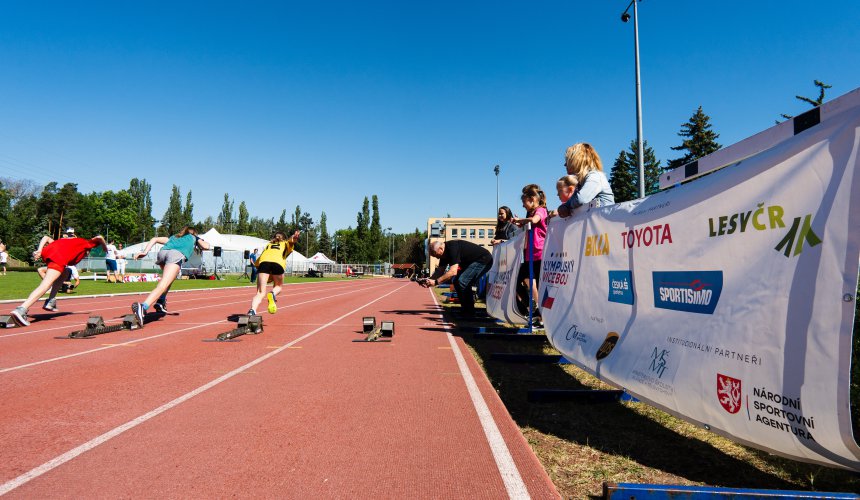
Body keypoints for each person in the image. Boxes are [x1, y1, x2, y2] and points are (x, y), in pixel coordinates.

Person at [8, 234, 107, 326]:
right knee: (46, 284)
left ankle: (51, 300)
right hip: (58, 258)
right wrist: (104, 247)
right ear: (87, 251)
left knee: (66, 272)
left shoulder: (67, 243)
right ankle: (22, 309)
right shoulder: (85, 244)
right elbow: (99, 237)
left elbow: (46, 237)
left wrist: (39, 250)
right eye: (86, 255)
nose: (85, 257)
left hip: (50, 253)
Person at [131, 227, 210, 325]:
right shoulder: (194, 237)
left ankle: (161, 300)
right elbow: (206, 246)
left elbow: (154, 239)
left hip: (162, 253)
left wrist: (144, 252)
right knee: (163, 284)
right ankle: (143, 307)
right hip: (175, 255)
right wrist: (200, 240)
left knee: (169, 280)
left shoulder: (174, 237)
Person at [421, 240, 493, 317]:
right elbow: (440, 270)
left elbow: (453, 272)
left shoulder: (452, 248)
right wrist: (429, 280)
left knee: (462, 281)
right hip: (472, 262)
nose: (436, 257)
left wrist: (436, 282)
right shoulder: (443, 254)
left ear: (441, 248)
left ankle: (469, 312)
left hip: (484, 260)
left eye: (435, 255)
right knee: (456, 281)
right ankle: (465, 309)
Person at [511, 184, 548, 327]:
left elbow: (534, 221)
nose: (523, 206)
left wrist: (521, 220)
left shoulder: (541, 210)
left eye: (524, 203)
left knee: (539, 285)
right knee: (516, 279)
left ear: (532, 200)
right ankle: (532, 309)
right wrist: (519, 223)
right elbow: (529, 225)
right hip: (529, 254)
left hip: (539, 254)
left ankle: (541, 317)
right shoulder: (531, 213)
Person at [248, 230, 300, 316]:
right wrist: (294, 237)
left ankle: (252, 310)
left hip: (263, 264)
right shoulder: (285, 243)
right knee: (278, 286)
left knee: (260, 293)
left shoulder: (268, 245)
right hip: (278, 263)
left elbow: (259, 262)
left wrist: (261, 275)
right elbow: (292, 241)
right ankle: (272, 293)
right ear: (284, 238)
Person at [557, 142, 615, 218]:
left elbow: (581, 199)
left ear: (577, 161)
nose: (565, 164)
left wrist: (566, 207)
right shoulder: (581, 183)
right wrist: (563, 207)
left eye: (568, 160)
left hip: (606, 223)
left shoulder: (595, 176)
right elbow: (572, 201)